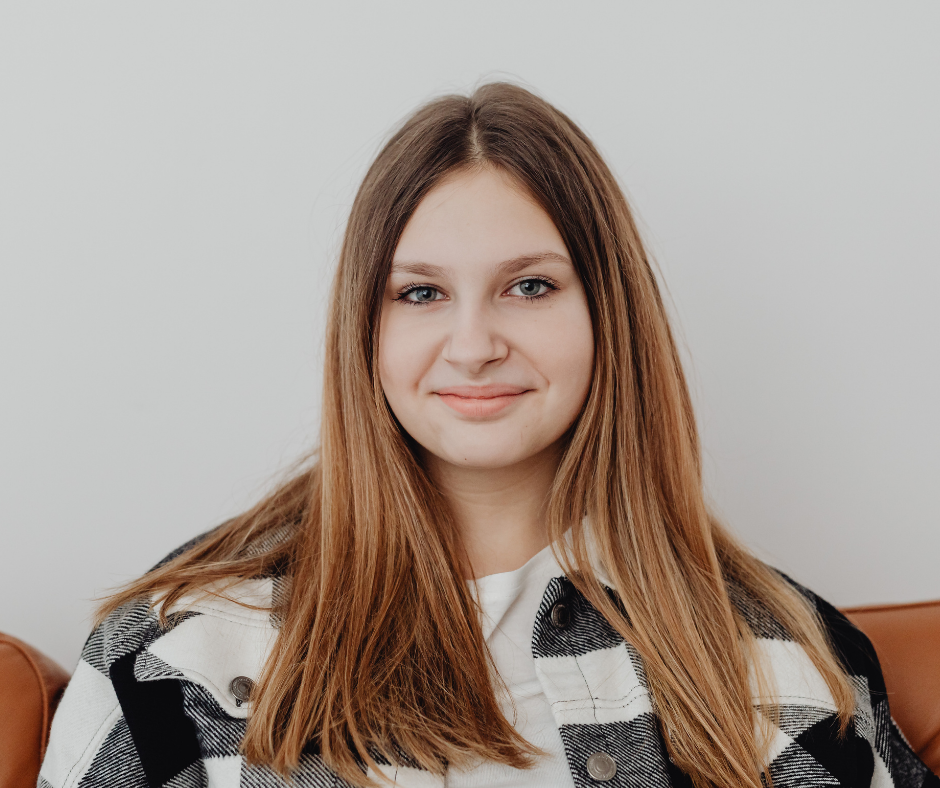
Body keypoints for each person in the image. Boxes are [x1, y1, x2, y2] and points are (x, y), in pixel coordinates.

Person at [39, 82, 937, 788]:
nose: (473, 346)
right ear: (366, 330)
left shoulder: (780, 656)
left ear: (608, 318)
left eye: (531, 286)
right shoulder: (172, 654)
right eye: (420, 293)